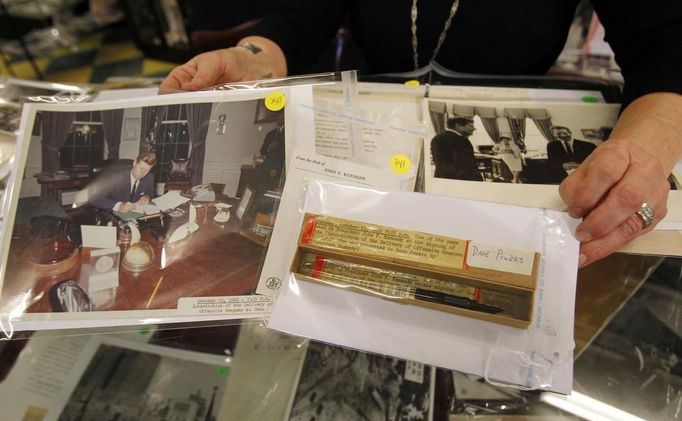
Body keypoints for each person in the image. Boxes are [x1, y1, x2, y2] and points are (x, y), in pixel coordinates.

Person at [160, 1, 682, 268]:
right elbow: (301, 17)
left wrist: (647, 146)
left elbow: (664, 42)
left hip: (518, 188)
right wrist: (251, 58)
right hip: (373, 138)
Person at [90, 151, 157, 213]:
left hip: (135, 215)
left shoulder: (149, 177)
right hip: (114, 214)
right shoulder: (117, 177)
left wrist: (147, 197)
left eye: (147, 170)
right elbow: (94, 198)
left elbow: (151, 194)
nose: (142, 173)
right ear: (134, 163)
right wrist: (119, 206)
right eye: (141, 168)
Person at [430, 116, 481, 181]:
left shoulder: (436, 138)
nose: (474, 129)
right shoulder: (462, 140)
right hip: (461, 181)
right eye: (470, 126)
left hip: (441, 178)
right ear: (458, 126)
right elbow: (469, 166)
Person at [257, 111, 285, 189]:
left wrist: (276, 168)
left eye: (282, 118)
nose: (280, 120)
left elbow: (283, 154)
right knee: (262, 188)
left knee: (273, 188)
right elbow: (262, 151)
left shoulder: (287, 134)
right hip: (266, 166)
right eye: (278, 118)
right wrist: (268, 147)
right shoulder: (270, 134)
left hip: (278, 168)